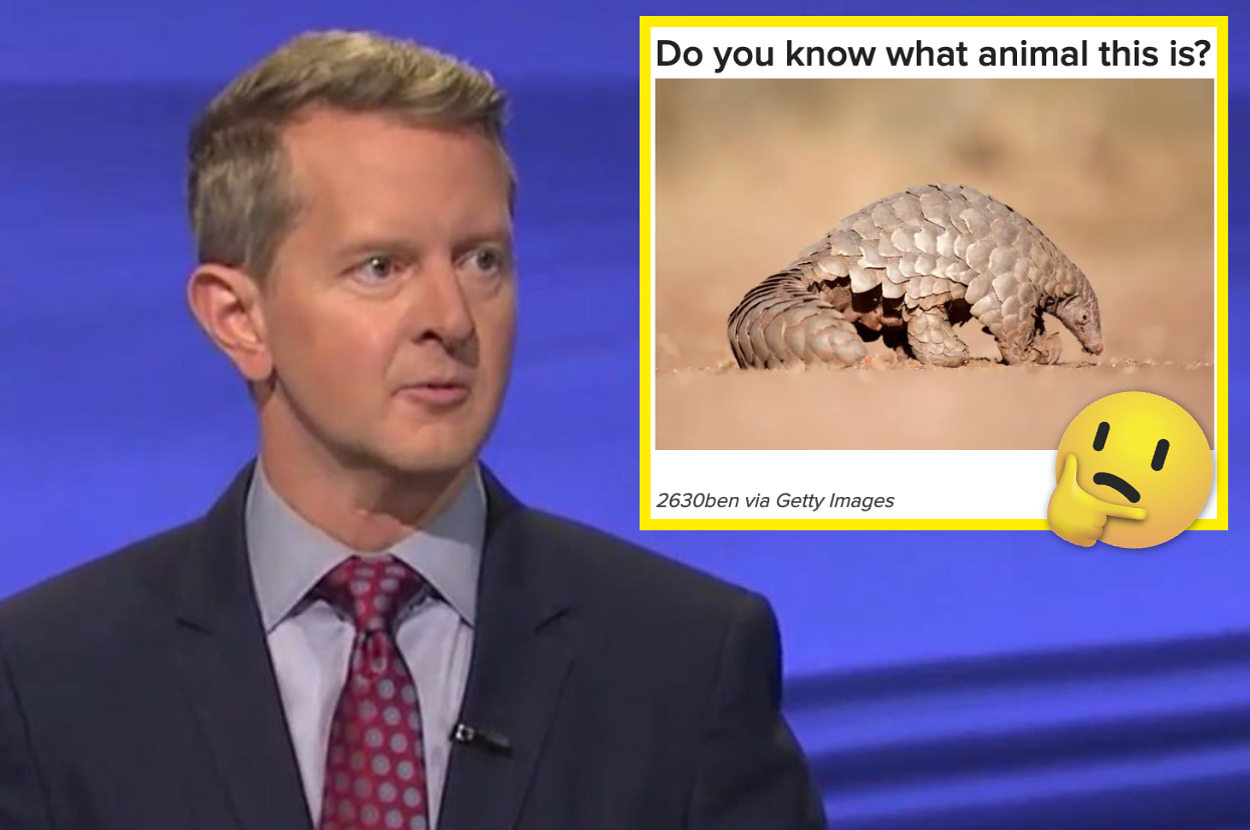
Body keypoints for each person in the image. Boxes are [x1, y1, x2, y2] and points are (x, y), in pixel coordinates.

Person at [0, 29, 828, 830]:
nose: (450, 318)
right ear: (239, 319)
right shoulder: (49, 681)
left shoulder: (682, 662)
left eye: (482, 261)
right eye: (381, 268)